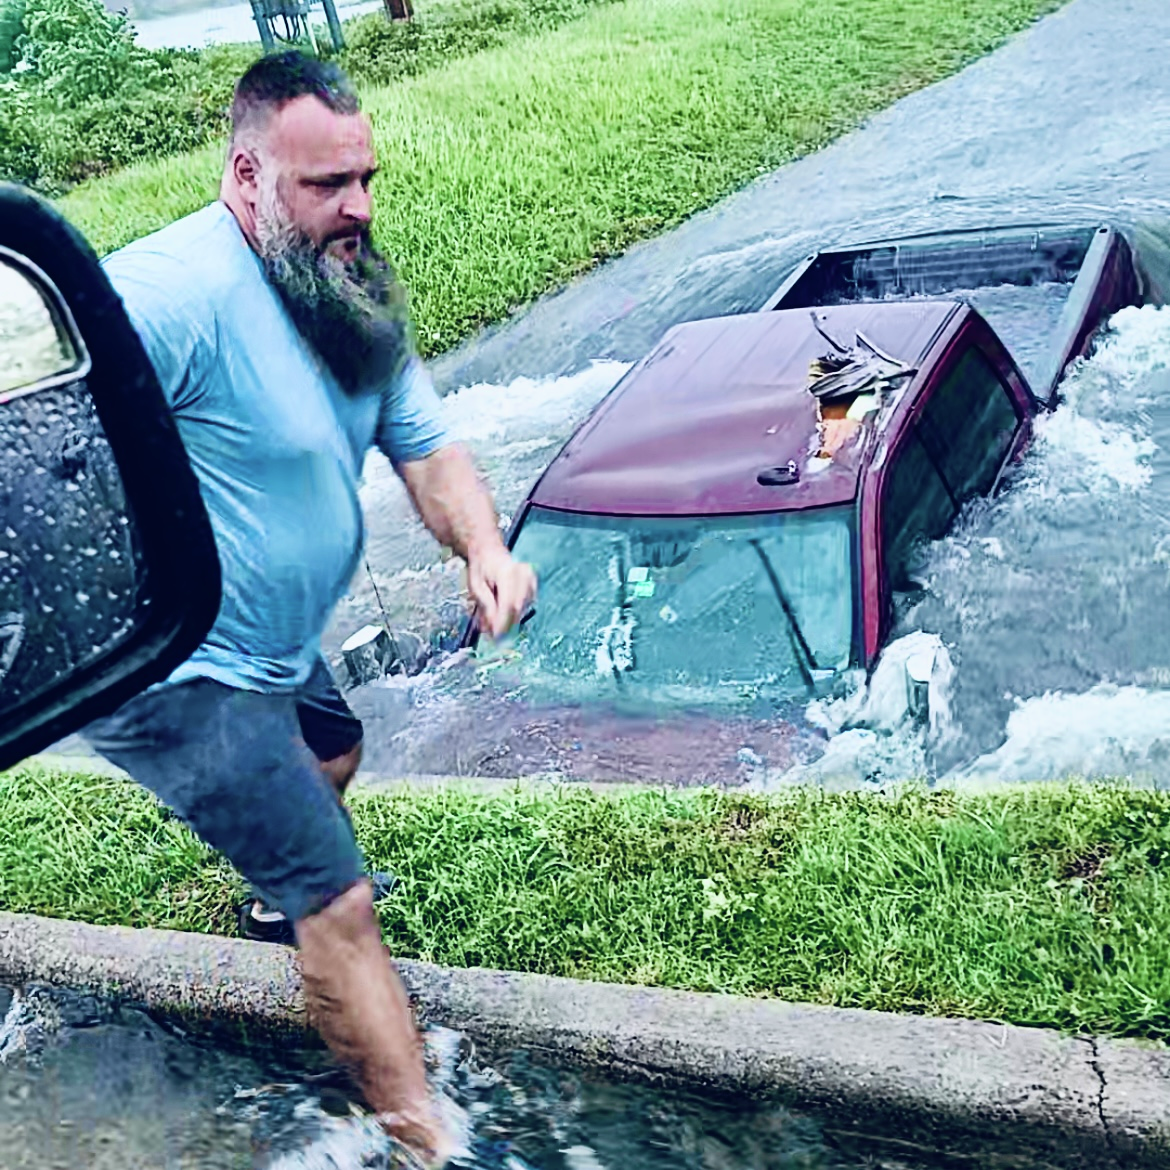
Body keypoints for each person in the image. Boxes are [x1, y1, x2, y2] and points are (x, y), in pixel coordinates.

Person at [82, 49, 535, 1167]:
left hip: (273, 641)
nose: (359, 207)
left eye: (366, 177)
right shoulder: (169, 296)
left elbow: (424, 443)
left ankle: (271, 895)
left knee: (334, 750)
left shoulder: (346, 284)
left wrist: (481, 543)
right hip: (177, 667)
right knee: (344, 908)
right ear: (245, 176)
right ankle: (423, 1139)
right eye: (328, 185)